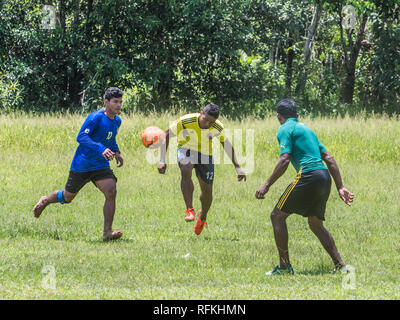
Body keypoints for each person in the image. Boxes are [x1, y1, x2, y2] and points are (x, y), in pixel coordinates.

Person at [255, 98, 354, 275]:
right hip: (324, 177)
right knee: (316, 224)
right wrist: (340, 187)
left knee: (277, 216)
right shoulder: (307, 129)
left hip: (308, 175)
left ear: (279, 117)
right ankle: (341, 265)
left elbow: (284, 159)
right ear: (297, 115)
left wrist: (266, 185)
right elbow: (329, 159)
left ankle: (285, 268)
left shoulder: (285, 128)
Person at [33, 87, 125, 242]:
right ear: (106, 102)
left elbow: (110, 138)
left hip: (100, 166)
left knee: (111, 191)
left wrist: (116, 151)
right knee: (67, 197)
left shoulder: (117, 121)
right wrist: (100, 148)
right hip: (82, 164)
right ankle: (46, 200)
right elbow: (81, 137)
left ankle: (107, 232)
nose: (118, 105)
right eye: (115, 102)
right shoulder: (95, 118)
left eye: (121, 102)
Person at [157, 104, 246, 235]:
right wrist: (162, 160)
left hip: (205, 154)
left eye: (211, 122)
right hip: (186, 149)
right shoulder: (186, 121)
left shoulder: (217, 127)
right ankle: (189, 209)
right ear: (200, 113)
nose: (207, 124)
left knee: (207, 191)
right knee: (185, 169)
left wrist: (237, 166)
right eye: (206, 120)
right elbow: (166, 135)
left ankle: (203, 216)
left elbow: (226, 145)